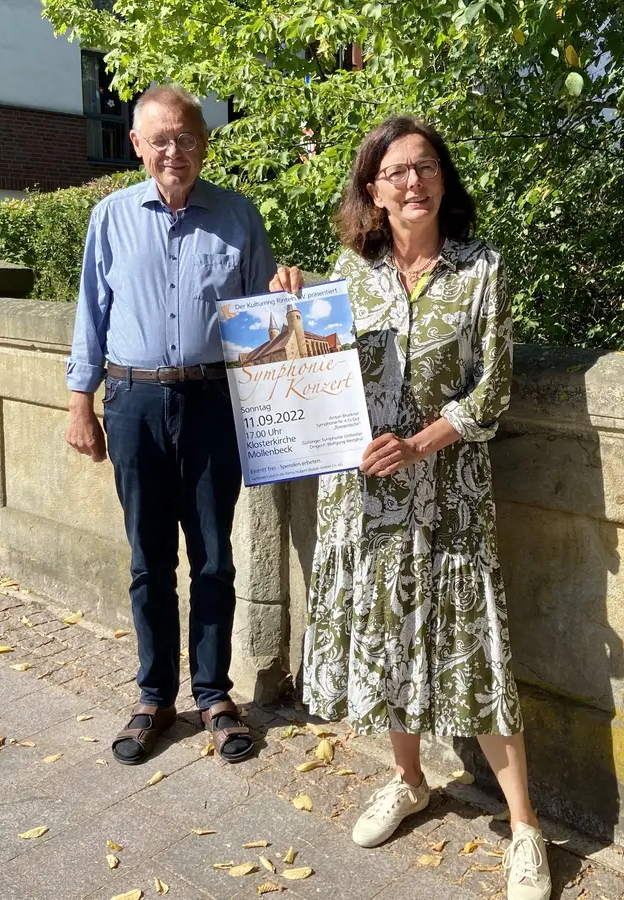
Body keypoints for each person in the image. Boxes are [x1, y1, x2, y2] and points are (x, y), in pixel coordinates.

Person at [268, 116, 551, 900]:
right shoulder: (345, 275)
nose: (413, 182)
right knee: (388, 640)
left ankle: (524, 827)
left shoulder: (480, 268)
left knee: (477, 648)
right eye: (395, 172)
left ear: (442, 180)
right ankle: (408, 779)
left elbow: (491, 388)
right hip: (363, 499)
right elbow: (305, 371)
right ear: (371, 190)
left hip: (450, 499)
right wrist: (287, 303)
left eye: (425, 167)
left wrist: (422, 443)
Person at [66, 84, 275, 765]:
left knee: (214, 558)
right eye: (159, 140)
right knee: (148, 560)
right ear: (137, 146)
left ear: (203, 142)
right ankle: (153, 696)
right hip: (134, 405)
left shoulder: (239, 217)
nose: (173, 152)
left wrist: (286, 296)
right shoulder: (110, 217)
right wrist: (80, 402)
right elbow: (90, 315)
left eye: (185, 138)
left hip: (216, 403)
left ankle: (213, 694)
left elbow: (266, 328)